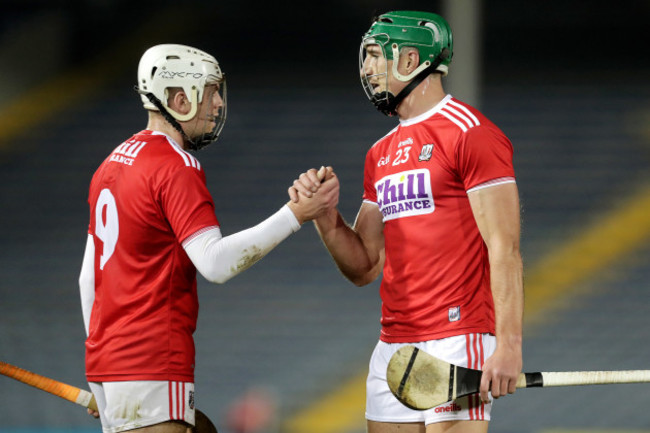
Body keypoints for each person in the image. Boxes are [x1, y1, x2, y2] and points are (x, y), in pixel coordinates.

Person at [78, 43, 337, 433]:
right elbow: (215, 263)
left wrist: (104, 371)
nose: (217, 104)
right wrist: (296, 215)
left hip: (111, 366)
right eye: (211, 91)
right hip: (154, 361)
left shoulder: (110, 163)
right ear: (180, 99)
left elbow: (87, 280)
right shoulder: (174, 165)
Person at [289, 11, 523, 433]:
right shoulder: (380, 153)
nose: (366, 68)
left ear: (411, 59)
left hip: (458, 336)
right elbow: (364, 265)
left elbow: (504, 247)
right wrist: (325, 217)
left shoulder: (470, 133)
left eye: (377, 55)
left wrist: (508, 345)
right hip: (394, 344)